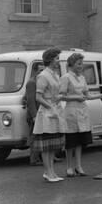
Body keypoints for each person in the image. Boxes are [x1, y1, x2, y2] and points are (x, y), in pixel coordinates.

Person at [59, 52, 102, 177]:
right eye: (79, 63)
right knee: (71, 141)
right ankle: (69, 167)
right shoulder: (66, 78)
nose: (81, 66)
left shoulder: (82, 78)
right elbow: (61, 96)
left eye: (82, 63)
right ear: (72, 64)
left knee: (80, 141)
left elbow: (87, 96)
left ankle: (79, 166)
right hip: (71, 112)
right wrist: (76, 97)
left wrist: (99, 96)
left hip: (82, 111)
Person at [32, 47, 67, 182]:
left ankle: (52, 172)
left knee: (53, 145)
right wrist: (50, 106)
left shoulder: (55, 74)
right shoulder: (43, 75)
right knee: (46, 146)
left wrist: (59, 98)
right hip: (46, 113)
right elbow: (38, 97)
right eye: (57, 58)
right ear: (51, 60)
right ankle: (47, 172)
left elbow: (55, 93)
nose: (58, 61)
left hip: (55, 111)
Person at [25, 63, 44, 165]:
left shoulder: (41, 81)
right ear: (35, 71)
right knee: (34, 137)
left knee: (43, 136)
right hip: (34, 114)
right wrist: (34, 116)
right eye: (40, 70)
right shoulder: (31, 83)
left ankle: (45, 157)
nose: (41, 72)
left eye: (43, 70)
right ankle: (34, 159)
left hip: (41, 113)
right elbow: (30, 101)